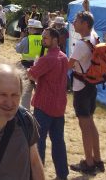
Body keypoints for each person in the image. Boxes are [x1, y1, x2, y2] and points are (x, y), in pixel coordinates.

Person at [27, 27, 69, 180]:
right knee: (58, 141)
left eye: (46, 38)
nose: (43, 40)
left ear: (55, 40)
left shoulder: (48, 58)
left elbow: (31, 74)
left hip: (44, 105)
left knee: (38, 141)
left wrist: (31, 72)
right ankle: (62, 174)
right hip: (59, 105)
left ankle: (38, 175)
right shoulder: (63, 56)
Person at [68, 10, 104, 174]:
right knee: (90, 122)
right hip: (92, 85)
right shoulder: (94, 37)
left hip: (80, 88)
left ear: (85, 24)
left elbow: (68, 65)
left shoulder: (82, 44)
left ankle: (88, 164)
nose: (74, 22)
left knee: (85, 126)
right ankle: (97, 160)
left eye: (76, 20)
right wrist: (86, 6)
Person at [18, 19, 44, 109]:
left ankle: (26, 112)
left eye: (29, 28)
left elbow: (18, 50)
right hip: (41, 69)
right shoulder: (45, 39)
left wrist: (21, 40)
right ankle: (39, 110)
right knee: (40, 91)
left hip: (27, 67)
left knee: (26, 92)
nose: (28, 30)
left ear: (33, 29)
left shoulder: (26, 39)